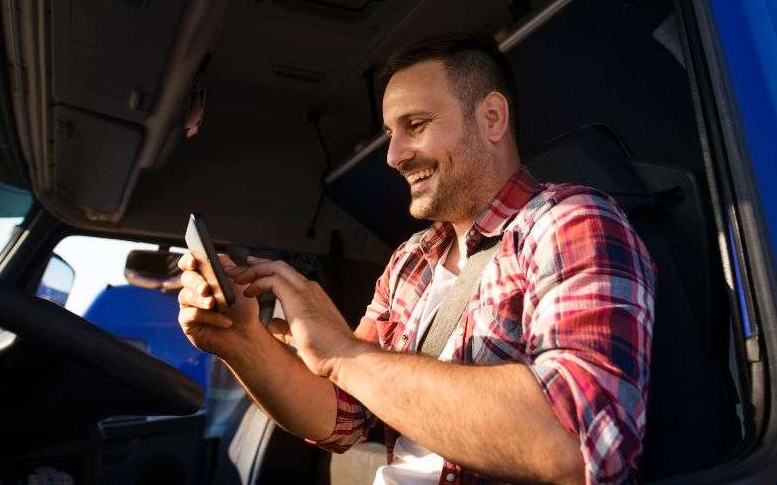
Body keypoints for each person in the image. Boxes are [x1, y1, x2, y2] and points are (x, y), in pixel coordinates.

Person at [177, 33, 656, 484]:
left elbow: (578, 442)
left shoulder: (570, 222)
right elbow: (344, 415)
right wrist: (241, 341)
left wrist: (343, 353)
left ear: (492, 118)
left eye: (416, 125)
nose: (393, 156)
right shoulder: (411, 260)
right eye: (390, 132)